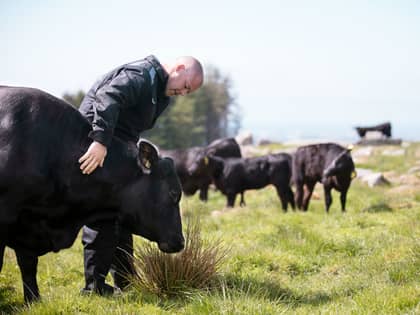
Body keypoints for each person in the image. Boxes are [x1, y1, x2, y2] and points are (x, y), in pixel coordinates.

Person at [78, 55, 203, 295]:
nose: (184, 93)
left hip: (117, 150)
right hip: (95, 146)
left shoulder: (161, 93)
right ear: (179, 68)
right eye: (186, 86)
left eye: (189, 92)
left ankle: (124, 281)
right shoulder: (142, 75)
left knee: (123, 212)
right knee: (103, 213)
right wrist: (100, 141)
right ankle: (94, 286)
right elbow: (107, 96)